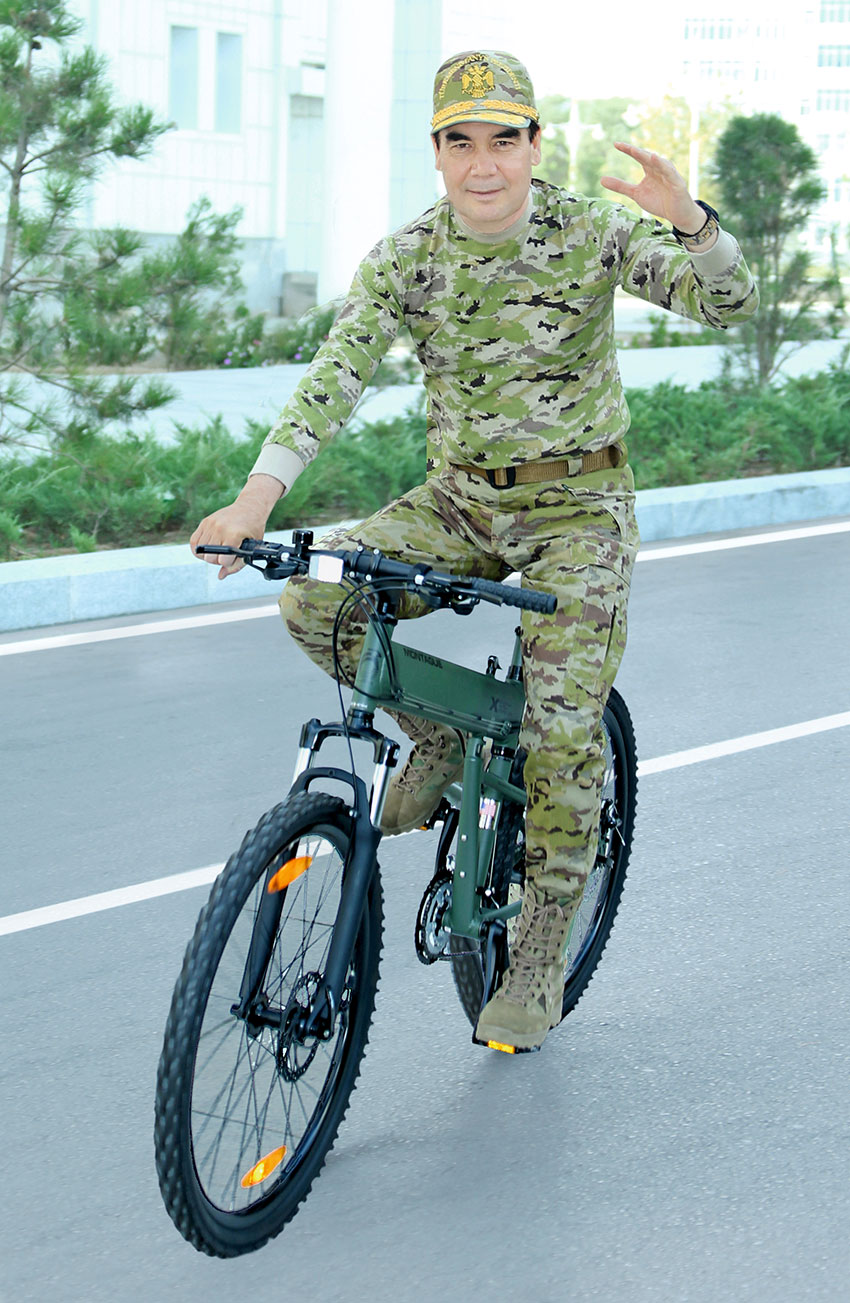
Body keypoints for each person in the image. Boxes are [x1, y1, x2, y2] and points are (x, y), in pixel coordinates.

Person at [191, 50, 758, 1052]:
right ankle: (443, 741)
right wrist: (252, 501)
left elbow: (728, 302)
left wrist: (692, 224)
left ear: (535, 146)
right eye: (461, 141)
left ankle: (540, 945)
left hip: (578, 506)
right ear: (438, 152)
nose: (482, 163)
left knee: (558, 726)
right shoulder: (408, 255)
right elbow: (336, 376)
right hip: (458, 501)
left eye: (504, 139)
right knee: (316, 599)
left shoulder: (590, 229)